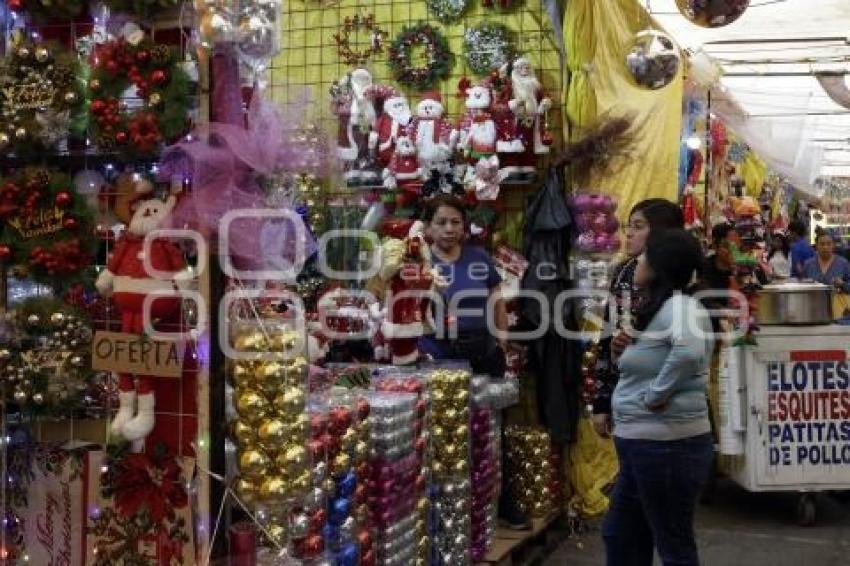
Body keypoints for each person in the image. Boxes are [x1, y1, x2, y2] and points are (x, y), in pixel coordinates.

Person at [602, 229, 715, 566]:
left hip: (667, 445)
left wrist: (655, 395)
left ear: (660, 264)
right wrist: (619, 349)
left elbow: (689, 351)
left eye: (645, 254)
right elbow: (648, 361)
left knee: (672, 546)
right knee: (621, 535)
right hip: (645, 444)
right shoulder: (659, 306)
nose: (637, 258)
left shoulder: (681, 306)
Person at [416, 195, 529, 529]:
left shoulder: (479, 257)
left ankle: (501, 501)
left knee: (494, 430)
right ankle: (447, 511)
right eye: (441, 222)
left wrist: (503, 339)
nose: (449, 229)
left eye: (455, 222)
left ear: (464, 226)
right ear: (428, 227)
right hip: (440, 355)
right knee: (444, 431)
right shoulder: (420, 263)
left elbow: (496, 302)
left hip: (485, 354)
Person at [592, 199, 685, 438]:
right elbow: (607, 336)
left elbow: (687, 352)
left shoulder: (681, 280)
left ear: (660, 232)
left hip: (673, 407)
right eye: (628, 226)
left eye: (638, 226)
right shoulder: (623, 272)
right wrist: (602, 401)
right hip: (628, 399)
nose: (629, 233)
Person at [802, 232, 850, 320]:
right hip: (812, 314)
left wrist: (842, 284)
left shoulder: (843, 264)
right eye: (822, 244)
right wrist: (805, 284)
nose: (825, 247)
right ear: (816, 246)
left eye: (828, 244)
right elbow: (801, 287)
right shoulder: (808, 264)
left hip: (839, 314)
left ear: (833, 245)